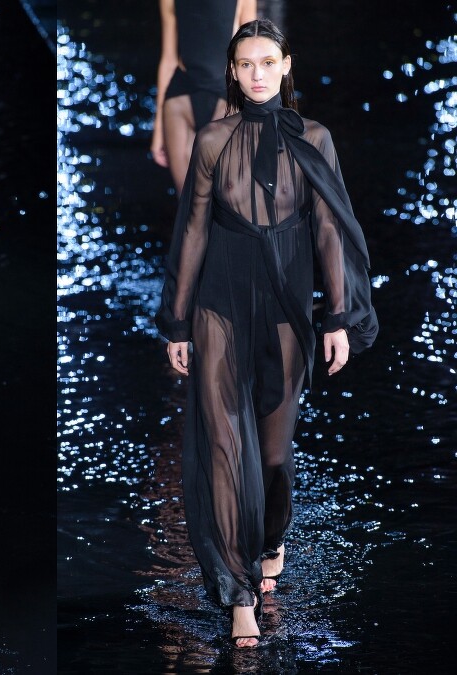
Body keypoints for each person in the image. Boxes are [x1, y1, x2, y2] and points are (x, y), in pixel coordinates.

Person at [157, 19, 377, 648]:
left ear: (286, 66)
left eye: (268, 62)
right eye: (246, 63)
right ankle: (238, 594)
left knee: (274, 454)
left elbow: (329, 229)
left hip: (286, 308)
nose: (257, 74)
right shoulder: (212, 139)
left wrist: (337, 318)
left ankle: (272, 538)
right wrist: (177, 322)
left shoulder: (314, 138)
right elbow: (192, 230)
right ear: (233, 71)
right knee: (226, 449)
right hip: (219, 305)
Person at [151, 0, 256, 192]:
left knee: (225, 197)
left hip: (225, 95)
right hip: (180, 97)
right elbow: (168, 59)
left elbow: (250, 54)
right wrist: (158, 129)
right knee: (187, 201)